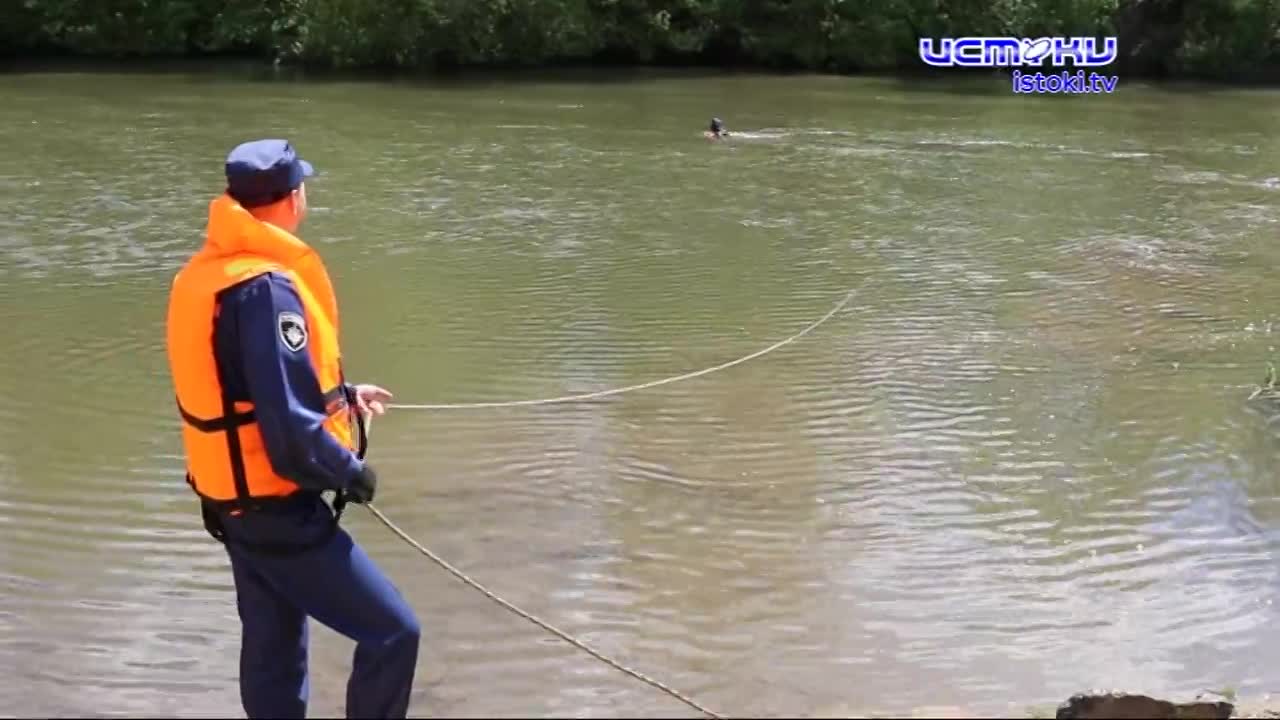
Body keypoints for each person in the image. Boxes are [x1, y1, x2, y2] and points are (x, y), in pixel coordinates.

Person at [164, 138, 421, 719]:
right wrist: (351, 472)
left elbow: (249, 388)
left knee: (274, 648)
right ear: (290, 200)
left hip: (232, 504)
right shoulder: (265, 287)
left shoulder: (208, 274)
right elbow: (286, 431)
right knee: (393, 632)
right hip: (276, 509)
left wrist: (342, 399)